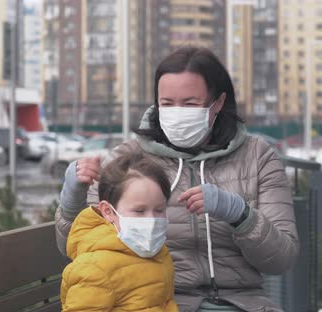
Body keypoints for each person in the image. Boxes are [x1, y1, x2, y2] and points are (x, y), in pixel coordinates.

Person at [55, 47, 298, 312]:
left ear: (217, 103)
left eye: (190, 103)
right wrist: (71, 198)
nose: (177, 112)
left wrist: (240, 215)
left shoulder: (257, 156)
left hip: (243, 303)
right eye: (167, 104)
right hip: (162, 300)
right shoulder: (127, 160)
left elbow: (281, 259)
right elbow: (81, 245)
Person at [59, 153, 179, 312]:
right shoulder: (94, 269)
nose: (151, 220)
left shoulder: (158, 252)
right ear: (108, 211)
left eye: (159, 210)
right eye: (139, 211)